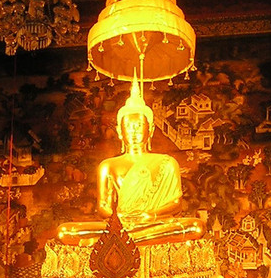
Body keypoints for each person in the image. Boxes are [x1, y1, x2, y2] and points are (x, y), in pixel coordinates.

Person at [56, 79, 203, 247]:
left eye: (139, 125)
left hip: (155, 224)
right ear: (120, 131)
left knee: (195, 227)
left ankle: (127, 241)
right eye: (129, 126)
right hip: (121, 224)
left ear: (151, 129)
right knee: (66, 231)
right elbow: (103, 207)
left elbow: (176, 205)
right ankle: (135, 239)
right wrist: (120, 219)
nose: (134, 130)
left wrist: (149, 216)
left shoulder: (167, 163)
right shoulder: (108, 165)